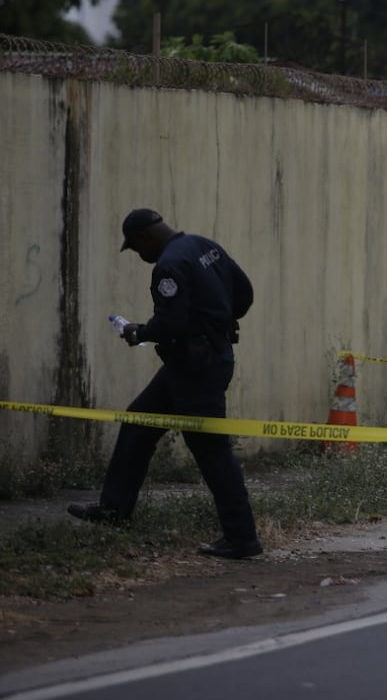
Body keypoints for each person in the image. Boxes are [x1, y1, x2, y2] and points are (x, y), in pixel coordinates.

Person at [68, 208, 262, 560]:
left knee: (211, 449)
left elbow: (170, 324)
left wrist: (137, 332)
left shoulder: (168, 266)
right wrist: (217, 322)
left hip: (196, 369)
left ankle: (242, 537)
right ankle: (114, 510)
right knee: (139, 421)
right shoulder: (204, 245)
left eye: (136, 248)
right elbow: (244, 293)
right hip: (198, 360)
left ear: (145, 238)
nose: (140, 256)